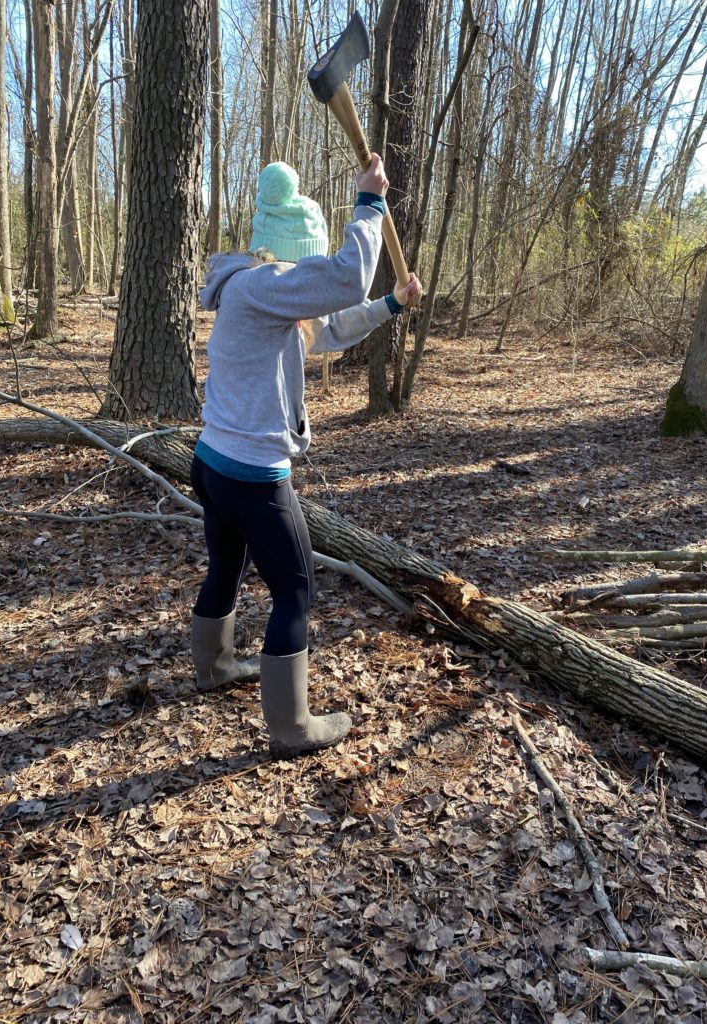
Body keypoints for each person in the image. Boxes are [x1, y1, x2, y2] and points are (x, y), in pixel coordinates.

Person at [190, 155, 422, 759]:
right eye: (307, 262)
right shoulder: (267, 286)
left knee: (226, 569)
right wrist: (369, 204)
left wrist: (391, 304)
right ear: (293, 254)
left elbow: (327, 329)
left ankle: (213, 668)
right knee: (294, 592)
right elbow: (345, 279)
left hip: (213, 463)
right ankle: (292, 728)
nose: (308, 281)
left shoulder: (255, 289)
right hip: (252, 478)